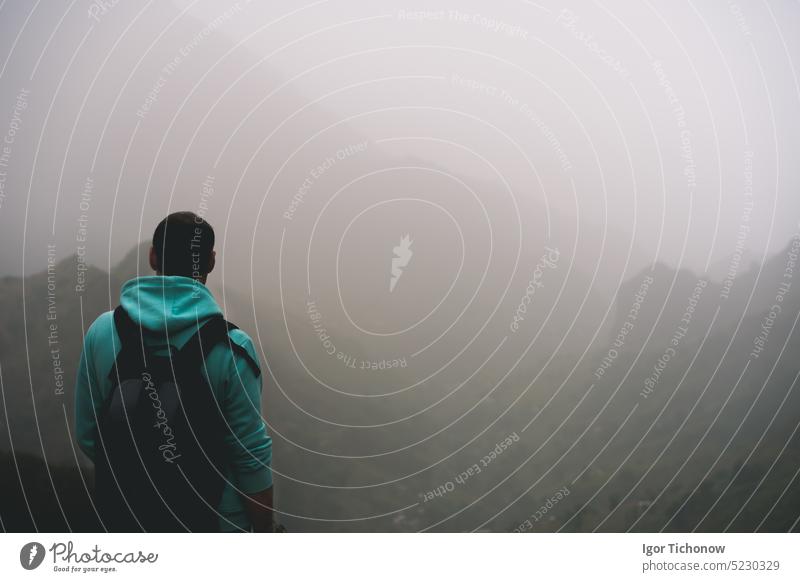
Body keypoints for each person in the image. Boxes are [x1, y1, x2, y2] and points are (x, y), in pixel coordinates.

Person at [74, 211, 275, 532]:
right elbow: (251, 457)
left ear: (153, 255)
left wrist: (144, 480)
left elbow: (88, 434)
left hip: (127, 522)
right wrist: (266, 531)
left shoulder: (102, 332)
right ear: (210, 262)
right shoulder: (233, 349)